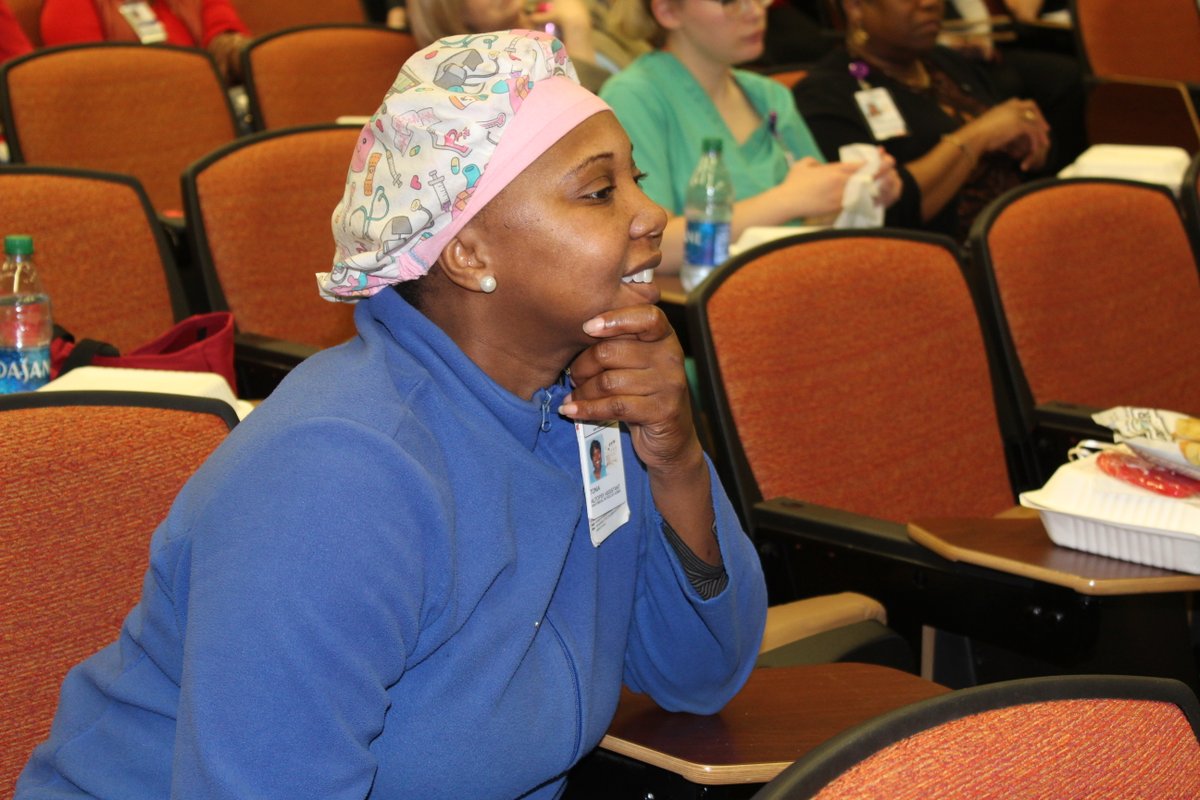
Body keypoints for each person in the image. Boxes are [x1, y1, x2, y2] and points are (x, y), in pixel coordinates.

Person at [15, 29, 767, 800]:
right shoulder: (339, 472)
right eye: (601, 191)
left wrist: (676, 462)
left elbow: (698, 677)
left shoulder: (591, 406)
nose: (654, 214)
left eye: (637, 181)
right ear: (469, 253)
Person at [600, 0, 902, 275]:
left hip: (799, 281)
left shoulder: (770, 95)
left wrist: (861, 190)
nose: (755, 11)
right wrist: (788, 201)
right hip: (706, 309)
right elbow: (650, 246)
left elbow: (818, 214)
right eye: (730, 2)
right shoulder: (635, 96)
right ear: (667, 11)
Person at [790, 0, 1053, 240]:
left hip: (1023, 228)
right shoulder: (826, 94)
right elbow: (877, 216)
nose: (930, 3)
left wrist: (1031, 144)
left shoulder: (945, 62)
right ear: (856, 6)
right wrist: (977, 137)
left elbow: (1029, 156)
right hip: (946, 258)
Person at [406, 0, 615, 92]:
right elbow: (585, 123)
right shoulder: (482, 75)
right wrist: (578, 30)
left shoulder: (553, 14)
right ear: (449, 11)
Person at [39, 0, 251, 83]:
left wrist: (228, 46)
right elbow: (93, 86)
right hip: (137, 127)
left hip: (208, 110)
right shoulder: (69, 5)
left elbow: (226, 30)